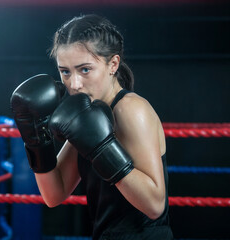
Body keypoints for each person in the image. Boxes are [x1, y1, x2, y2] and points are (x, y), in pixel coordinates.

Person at [10, 14, 173, 240]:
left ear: (113, 64)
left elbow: (155, 206)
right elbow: (54, 194)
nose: (74, 84)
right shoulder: (86, 115)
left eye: (85, 69)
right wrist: (35, 138)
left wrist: (102, 149)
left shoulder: (131, 109)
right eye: (65, 71)